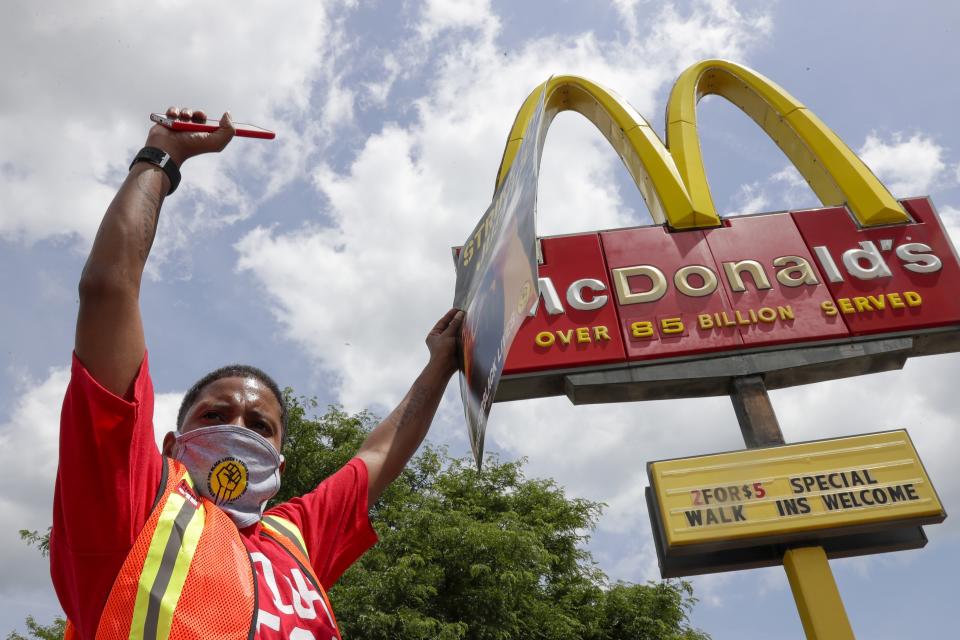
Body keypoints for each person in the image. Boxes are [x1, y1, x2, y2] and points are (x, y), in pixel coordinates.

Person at [51, 107, 463, 640]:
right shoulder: (134, 508)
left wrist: (440, 364)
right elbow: (108, 290)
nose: (238, 428)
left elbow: (379, 455)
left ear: (281, 461)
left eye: (259, 424)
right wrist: (162, 156)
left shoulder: (294, 538)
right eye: (216, 414)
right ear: (174, 443)